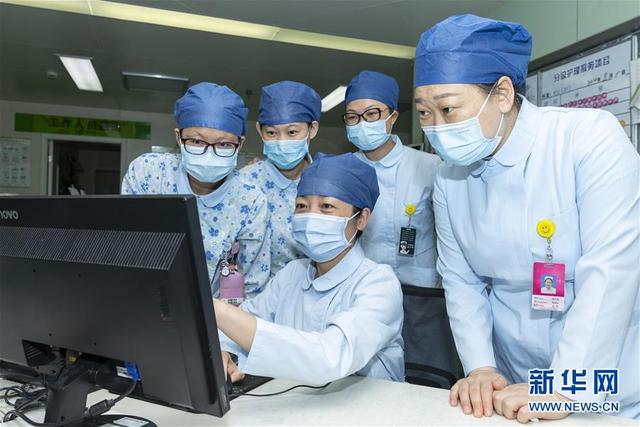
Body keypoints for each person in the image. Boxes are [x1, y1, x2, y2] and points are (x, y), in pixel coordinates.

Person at [414, 14, 639, 421]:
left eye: (447, 108)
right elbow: (461, 280)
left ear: (502, 94)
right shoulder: (449, 178)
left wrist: (566, 387)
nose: (437, 128)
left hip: (609, 381)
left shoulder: (587, 137)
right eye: (424, 113)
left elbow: (611, 268)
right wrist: (481, 368)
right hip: (516, 383)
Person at [215, 153, 404, 385]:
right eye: (302, 206)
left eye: (327, 206)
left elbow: (329, 358)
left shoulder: (379, 284)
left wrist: (219, 312)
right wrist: (224, 349)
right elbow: (242, 322)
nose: (311, 216)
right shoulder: (292, 273)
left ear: (361, 219)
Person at [122, 82, 271, 299]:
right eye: (196, 141)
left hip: (214, 310)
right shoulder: (148, 173)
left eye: (223, 145)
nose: (209, 154)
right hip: (139, 297)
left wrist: (219, 315)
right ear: (178, 137)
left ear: (239, 144)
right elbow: (124, 245)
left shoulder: (249, 199)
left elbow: (251, 283)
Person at [343, 70, 446, 376]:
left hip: (421, 296)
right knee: (369, 381)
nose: (362, 123)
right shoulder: (343, 170)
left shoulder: (429, 167)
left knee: (426, 379)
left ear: (392, 117)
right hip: (363, 295)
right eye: (352, 116)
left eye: (372, 113)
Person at [240, 81, 321, 275]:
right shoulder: (245, 182)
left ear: (312, 129)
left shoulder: (328, 180)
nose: (282, 141)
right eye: (271, 133)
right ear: (260, 130)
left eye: (292, 132)